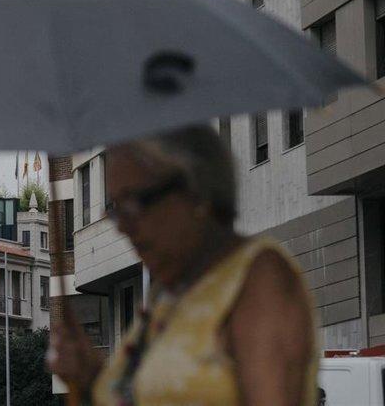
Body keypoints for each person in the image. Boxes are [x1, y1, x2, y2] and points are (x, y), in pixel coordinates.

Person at [48, 125, 317, 406]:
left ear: (195, 190)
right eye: (116, 209)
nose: (123, 227)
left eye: (135, 203)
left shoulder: (258, 279)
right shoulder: (165, 296)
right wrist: (90, 378)